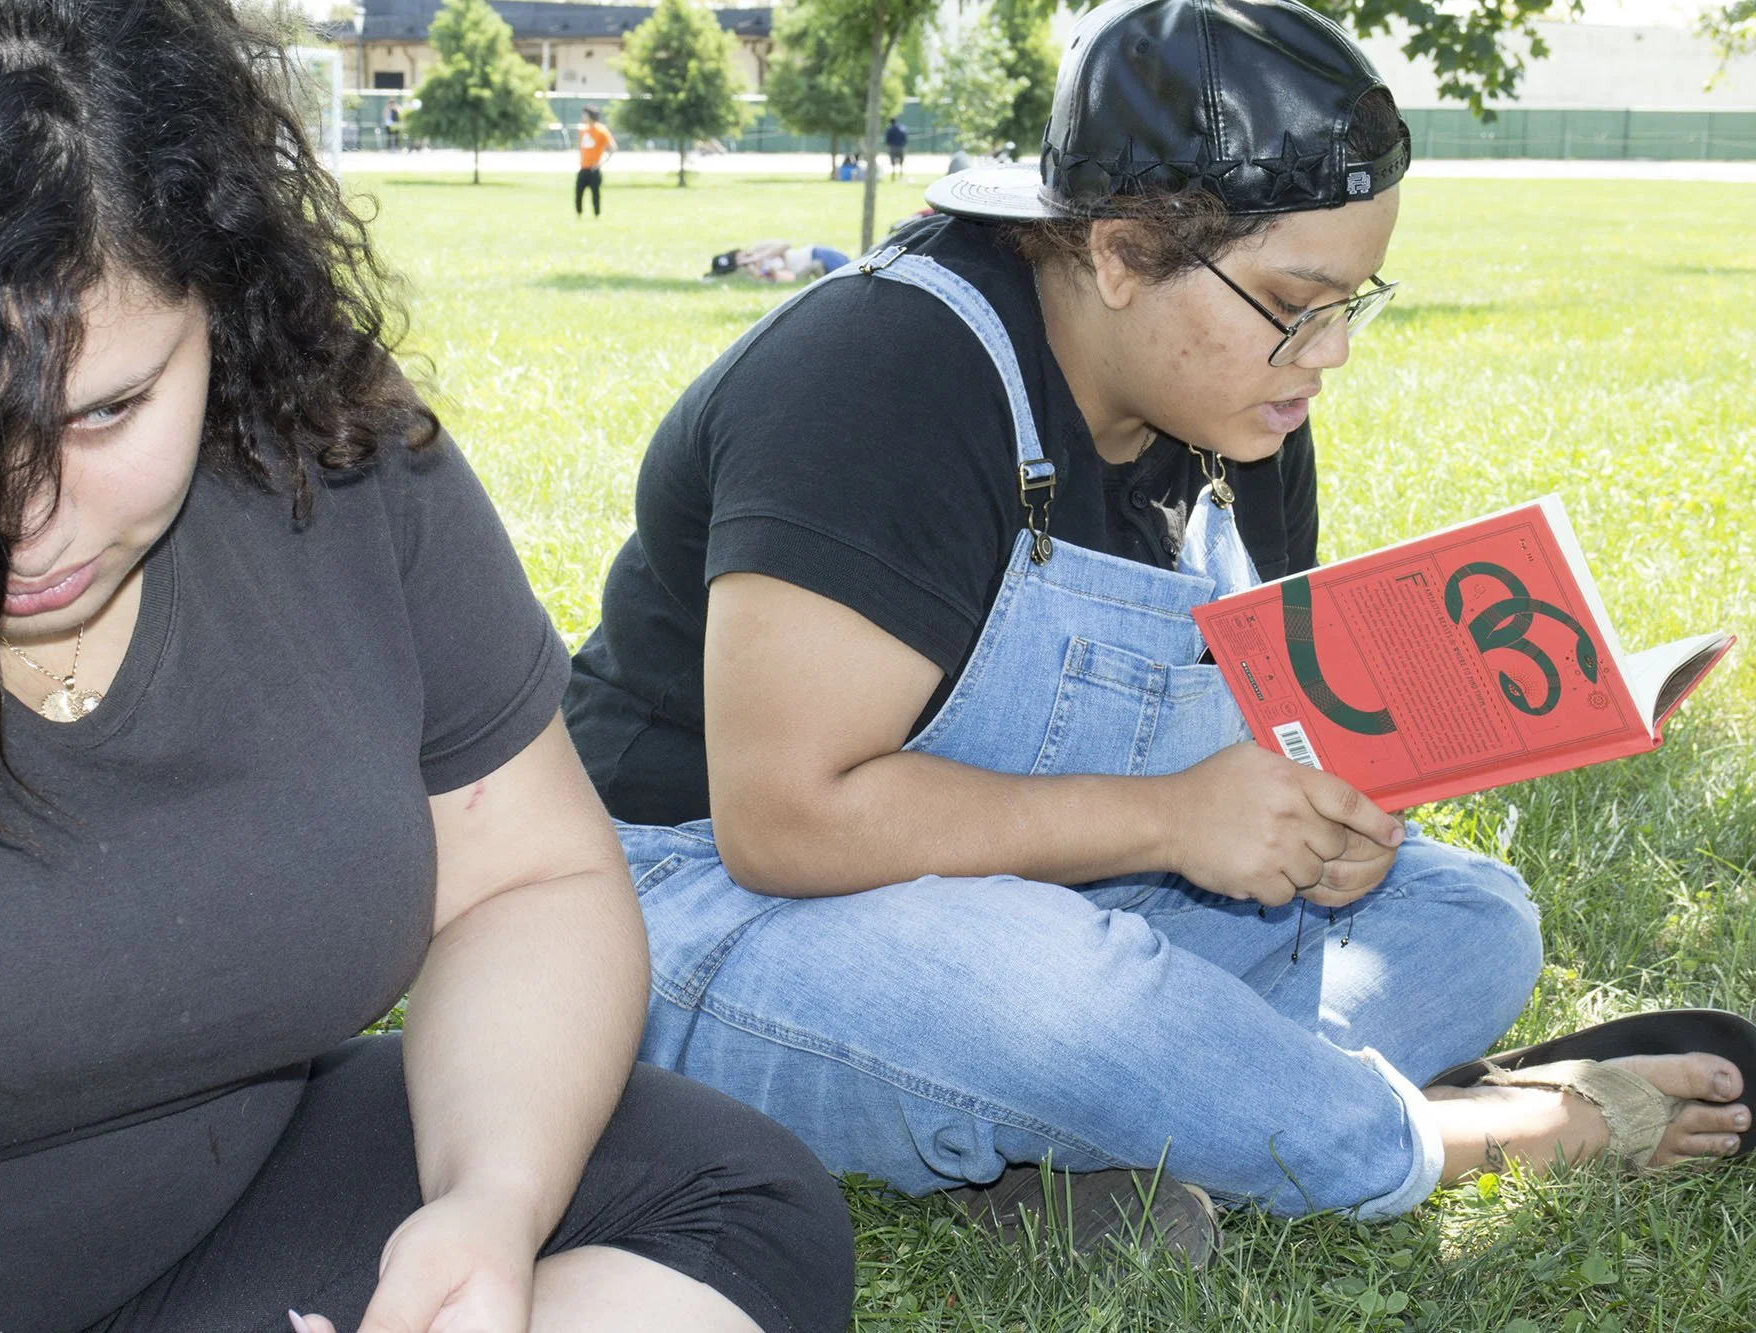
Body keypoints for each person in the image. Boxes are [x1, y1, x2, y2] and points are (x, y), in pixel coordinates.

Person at [564, 0, 1750, 1259]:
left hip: (1050, 896)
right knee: (1053, 992)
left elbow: (1239, 749)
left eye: (1354, 298)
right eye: (1298, 301)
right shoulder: (876, 378)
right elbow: (783, 820)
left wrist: (1312, 828)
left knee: (1470, 917)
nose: (1331, 351)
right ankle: (1479, 1130)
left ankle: (1103, 1138)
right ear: (1121, 253)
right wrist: (1172, 821)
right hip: (691, 915)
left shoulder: (1242, 409)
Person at [0, 3, 856, 1331]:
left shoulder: (323, 444)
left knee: (730, 1197)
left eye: (107, 408)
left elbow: (525, 876)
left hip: (234, 1229)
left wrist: (486, 1208)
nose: (29, 519)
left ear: (221, 292)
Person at [706, 241, 852, 284]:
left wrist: (759, 257)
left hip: (814, 254)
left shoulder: (757, 248)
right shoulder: (752, 272)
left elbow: (785, 245)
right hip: (809, 269)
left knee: (851, 273)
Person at [576, 105, 616, 218]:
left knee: (595, 195)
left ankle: (596, 215)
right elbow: (580, 147)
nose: (582, 116)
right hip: (583, 168)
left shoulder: (601, 131)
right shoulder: (583, 130)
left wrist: (601, 162)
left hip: (594, 170)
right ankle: (579, 215)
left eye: (584, 114)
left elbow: (612, 148)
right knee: (578, 194)